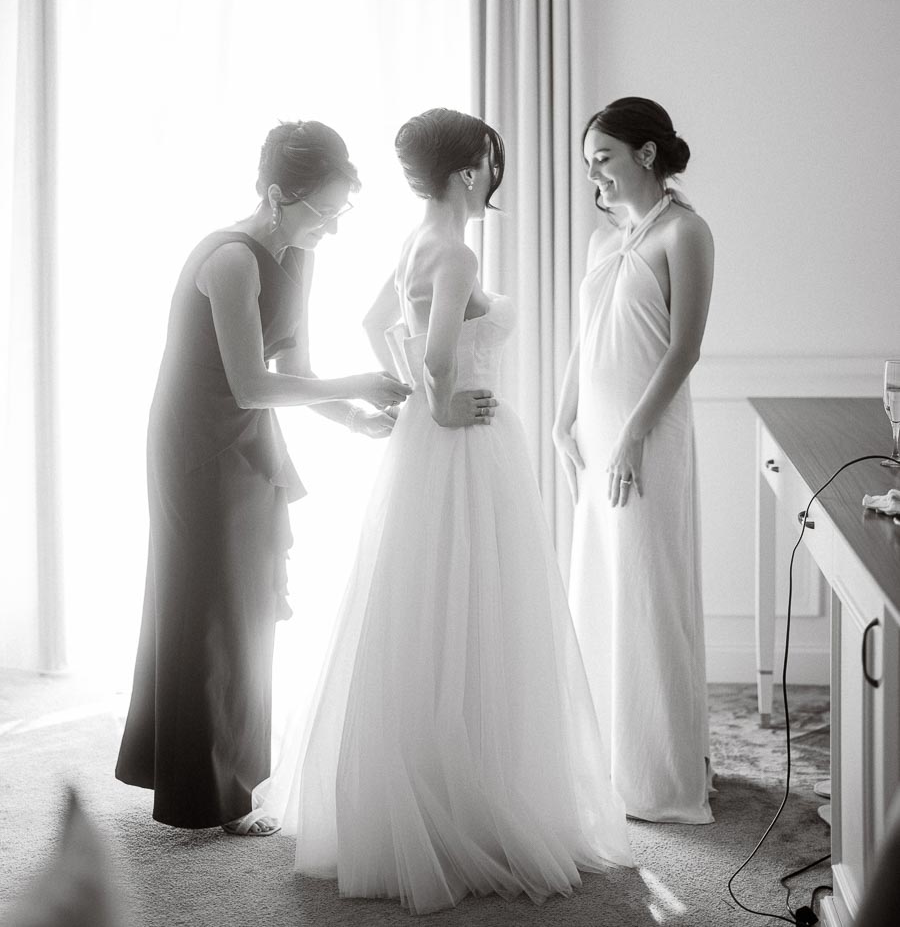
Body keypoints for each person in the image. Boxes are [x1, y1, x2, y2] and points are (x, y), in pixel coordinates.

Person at [255, 107, 632, 914]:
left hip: (428, 446)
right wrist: (444, 400)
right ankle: (470, 798)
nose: (495, 173)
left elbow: (374, 323)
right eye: (490, 160)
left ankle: (437, 785)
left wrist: (420, 397)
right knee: (479, 605)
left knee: (425, 607)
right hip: (465, 445)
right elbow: (431, 352)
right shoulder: (455, 250)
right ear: (470, 171)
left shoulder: (414, 243)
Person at [115, 120, 411, 836]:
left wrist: (350, 417)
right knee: (207, 610)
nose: (335, 229)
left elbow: (296, 375)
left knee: (246, 610)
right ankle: (205, 796)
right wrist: (362, 380)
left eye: (343, 212)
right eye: (325, 212)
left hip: (246, 438)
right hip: (195, 444)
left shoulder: (299, 256)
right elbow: (249, 383)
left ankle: (219, 776)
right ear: (278, 195)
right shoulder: (230, 260)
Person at [553, 96, 715, 825]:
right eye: (589, 162)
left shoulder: (686, 232)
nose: (595, 175)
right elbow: (585, 339)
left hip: (649, 435)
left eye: (604, 159)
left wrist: (631, 437)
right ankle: (607, 766)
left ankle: (661, 776)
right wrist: (564, 419)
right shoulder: (601, 238)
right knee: (602, 586)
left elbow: (684, 349)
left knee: (650, 591)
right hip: (597, 434)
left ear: (646, 155)